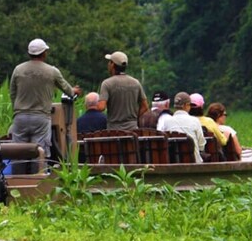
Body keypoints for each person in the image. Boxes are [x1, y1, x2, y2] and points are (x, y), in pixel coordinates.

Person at [9, 38, 80, 172]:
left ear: (29, 53)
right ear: (44, 53)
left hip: (20, 118)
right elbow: (68, 90)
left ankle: (17, 181)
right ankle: (39, 182)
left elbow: (12, 93)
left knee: (18, 153)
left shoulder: (18, 70)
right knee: (40, 151)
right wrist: (74, 91)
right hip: (41, 118)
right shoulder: (52, 71)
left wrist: (18, 109)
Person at [96, 51, 148, 131]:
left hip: (114, 130)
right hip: (132, 130)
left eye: (109, 62)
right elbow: (145, 106)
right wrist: (134, 119)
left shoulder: (107, 83)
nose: (108, 65)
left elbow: (101, 107)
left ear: (112, 64)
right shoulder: (135, 83)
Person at [157, 92, 205, 162]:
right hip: (193, 162)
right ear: (185, 105)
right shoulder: (195, 121)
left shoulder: (167, 121)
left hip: (174, 161)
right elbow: (201, 145)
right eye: (189, 105)